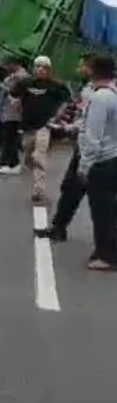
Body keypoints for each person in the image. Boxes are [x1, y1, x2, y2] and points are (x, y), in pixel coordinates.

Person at [35, 55, 95, 242]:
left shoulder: (102, 93)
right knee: (70, 189)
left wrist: (67, 127)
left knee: (103, 198)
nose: (79, 69)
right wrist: (63, 123)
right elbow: (78, 112)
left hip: (98, 151)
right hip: (83, 146)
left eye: (82, 65)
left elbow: (90, 122)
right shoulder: (88, 87)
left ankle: (107, 245)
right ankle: (58, 227)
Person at [75, 54, 117, 272]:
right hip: (114, 157)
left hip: (101, 161)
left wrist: (84, 166)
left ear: (93, 70)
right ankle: (110, 250)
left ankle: (106, 256)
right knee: (111, 210)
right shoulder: (114, 93)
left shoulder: (100, 98)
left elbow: (93, 137)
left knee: (101, 212)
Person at [10, 55, 70, 204]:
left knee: (39, 157)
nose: (41, 70)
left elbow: (66, 101)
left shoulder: (56, 85)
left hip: (45, 125)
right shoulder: (26, 83)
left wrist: (57, 116)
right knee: (29, 156)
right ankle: (32, 168)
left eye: (44, 67)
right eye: (38, 66)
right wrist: (15, 105)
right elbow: (13, 95)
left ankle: (38, 190)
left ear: (49, 69)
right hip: (27, 125)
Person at [0, 61, 27, 174]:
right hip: (11, 114)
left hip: (13, 114)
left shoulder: (17, 81)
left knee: (10, 139)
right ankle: (5, 161)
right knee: (9, 139)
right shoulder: (13, 80)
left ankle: (13, 163)